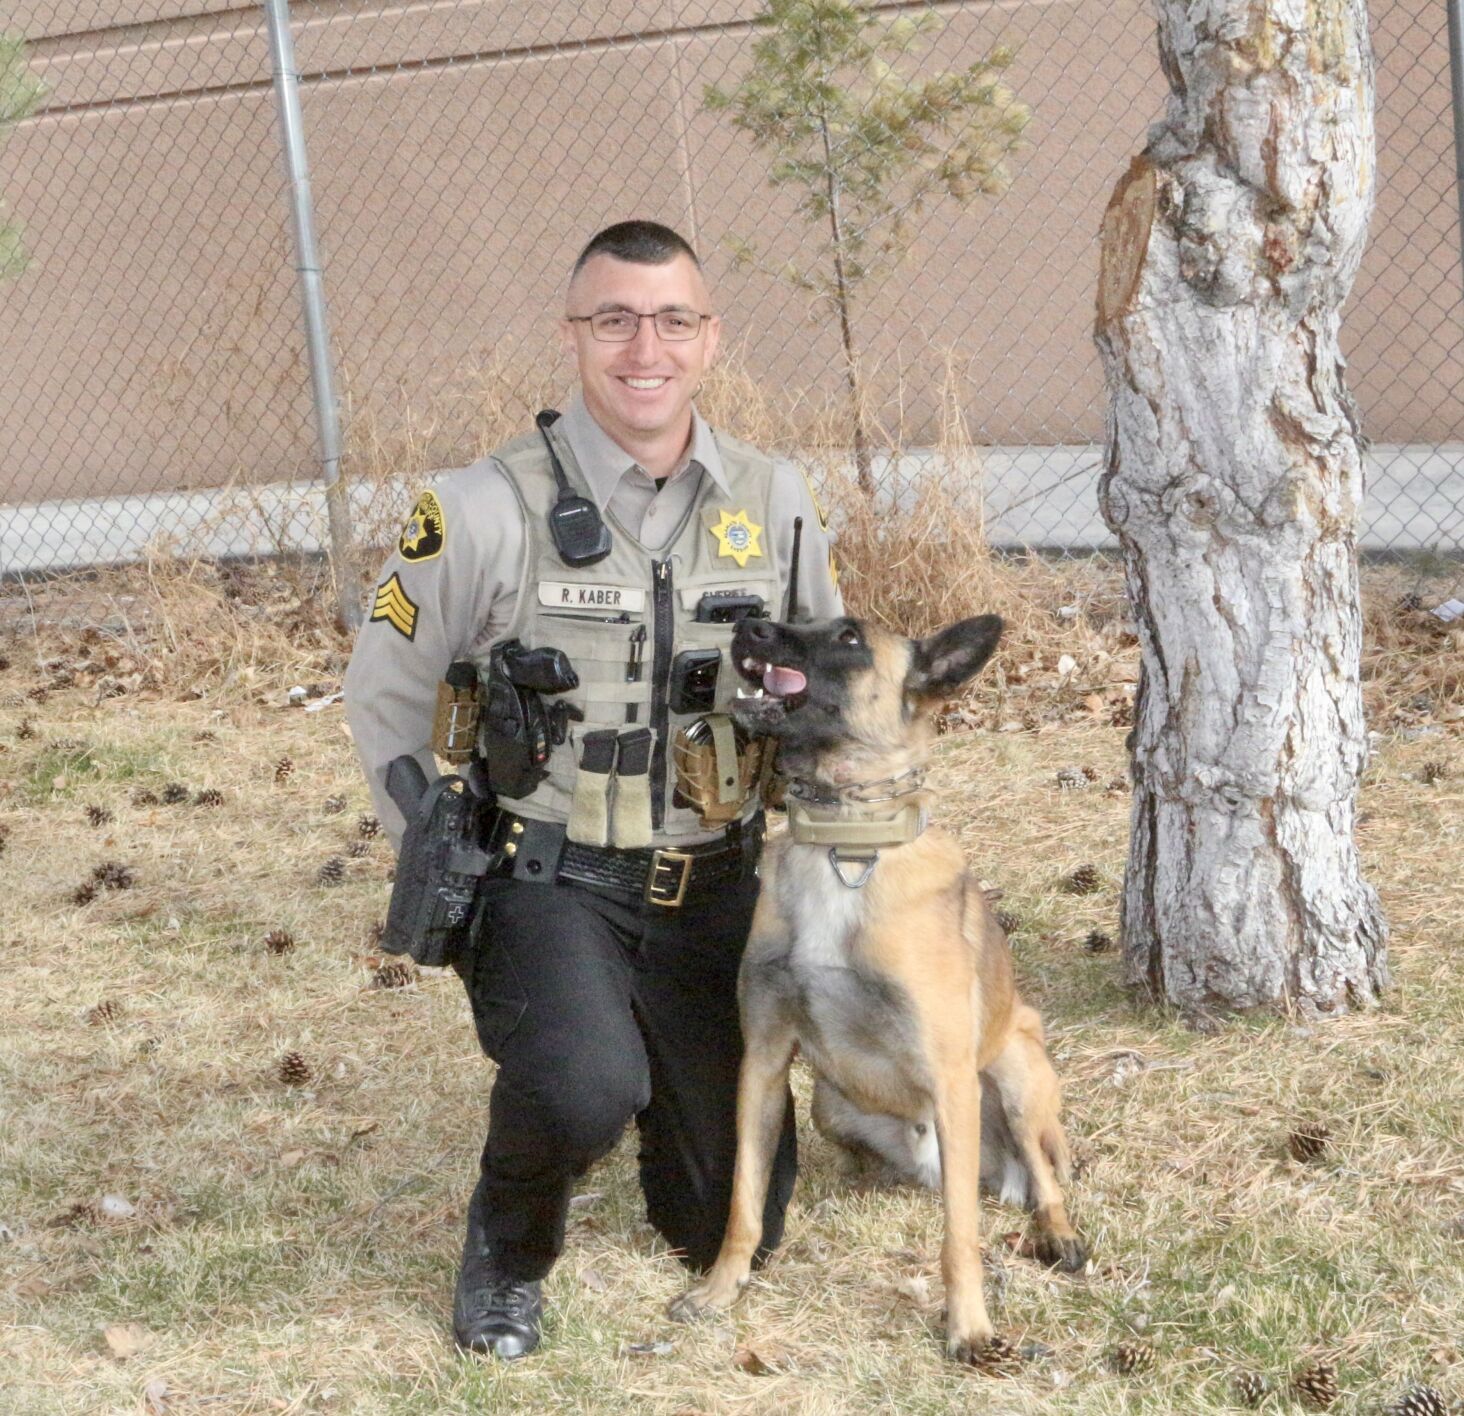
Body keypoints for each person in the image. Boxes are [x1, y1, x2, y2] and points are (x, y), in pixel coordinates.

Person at [344, 220, 842, 1359]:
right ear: (574, 336)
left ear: (710, 339)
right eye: (613, 318)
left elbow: (827, 679)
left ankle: (670, 1089)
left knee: (730, 1227)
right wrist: (432, 847)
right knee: (579, 1090)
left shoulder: (777, 499)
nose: (643, 346)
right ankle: (509, 1246)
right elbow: (383, 689)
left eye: (672, 319)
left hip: (715, 883)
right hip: (553, 874)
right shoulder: (480, 505)